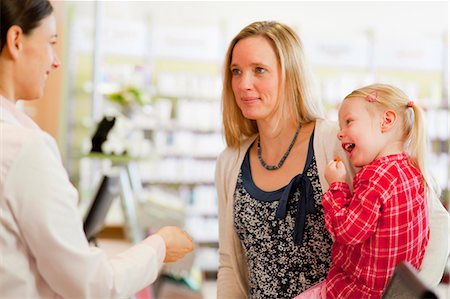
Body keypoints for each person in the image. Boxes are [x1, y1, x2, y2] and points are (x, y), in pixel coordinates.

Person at [215, 20, 449, 299]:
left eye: (259, 70)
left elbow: (437, 223)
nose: (244, 83)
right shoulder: (231, 162)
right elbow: (230, 262)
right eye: (235, 71)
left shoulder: (336, 141)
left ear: (290, 74)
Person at [0, 0, 194, 298]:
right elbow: (94, 286)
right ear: (16, 41)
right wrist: (161, 246)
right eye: (51, 43)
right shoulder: (26, 149)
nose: (56, 61)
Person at [295, 84, 434, 299]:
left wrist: (337, 185)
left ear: (386, 121)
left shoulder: (375, 177)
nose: (340, 134)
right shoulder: (413, 171)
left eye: (349, 122)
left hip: (357, 293)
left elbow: (346, 231)